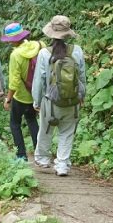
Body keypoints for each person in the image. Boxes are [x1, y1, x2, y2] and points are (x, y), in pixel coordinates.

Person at [31, 15, 86, 177]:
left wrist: (37, 100)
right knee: (67, 132)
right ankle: (62, 164)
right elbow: (82, 77)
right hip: (72, 100)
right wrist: (82, 96)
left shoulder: (43, 53)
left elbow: (39, 81)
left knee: (46, 129)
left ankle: (42, 159)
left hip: (50, 101)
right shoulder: (77, 51)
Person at [1, 21, 41, 162]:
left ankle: (21, 156)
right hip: (36, 93)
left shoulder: (16, 55)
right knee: (32, 121)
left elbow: (14, 81)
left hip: (21, 96)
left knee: (15, 123)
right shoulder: (38, 46)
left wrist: (8, 99)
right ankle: (39, 153)